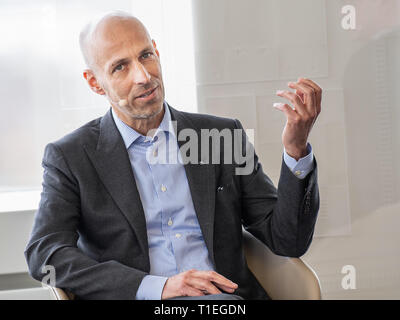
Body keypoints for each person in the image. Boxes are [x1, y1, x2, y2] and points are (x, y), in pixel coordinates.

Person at [25, 11, 321, 300]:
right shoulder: (71, 157)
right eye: (120, 67)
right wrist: (156, 288)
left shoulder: (220, 136)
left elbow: (288, 239)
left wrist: (296, 150)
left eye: (145, 55)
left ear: (156, 51)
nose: (143, 76)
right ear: (94, 82)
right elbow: (45, 254)